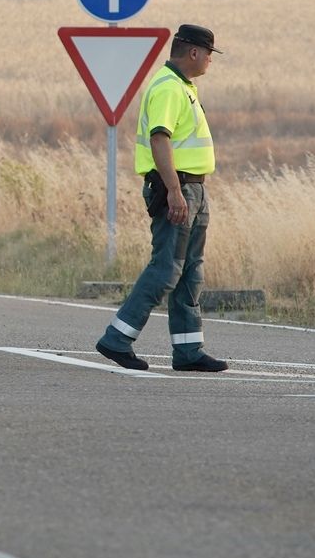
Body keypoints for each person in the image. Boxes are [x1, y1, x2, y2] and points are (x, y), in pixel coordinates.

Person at [96, 24, 228, 374]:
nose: (211, 61)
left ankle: (188, 350)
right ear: (194, 52)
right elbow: (160, 140)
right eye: (209, 53)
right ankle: (117, 339)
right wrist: (173, 191)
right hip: (179, 188)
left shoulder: (184, 86)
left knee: (189, 272)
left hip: (193, 188)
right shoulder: (169, 87)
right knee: (166, 268)